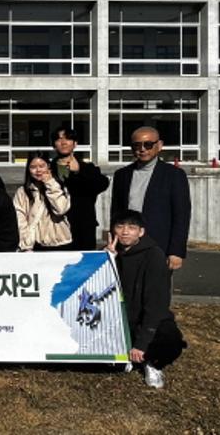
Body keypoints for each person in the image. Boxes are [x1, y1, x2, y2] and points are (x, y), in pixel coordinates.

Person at [105, 210, 186, 389]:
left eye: (131, 228)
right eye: (120, 227)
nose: (125, 232)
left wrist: (142, 344)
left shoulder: (154, 255)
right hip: (119, 319)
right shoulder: (109, 253)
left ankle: (152, 363)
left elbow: (156, 304)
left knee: (170, 339)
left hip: (145, 318)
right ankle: (123, 358)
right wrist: (106, 260)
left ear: (141, 232)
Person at [111, 126, 191, 271]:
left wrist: (176, 252)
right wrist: (113, 241)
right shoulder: (122, 175)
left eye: (148, 144)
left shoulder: (174, 175)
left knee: (156, 285)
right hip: (127, 245)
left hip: (159, 246)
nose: (142, 149)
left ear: (159, 145)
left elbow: (181, 216)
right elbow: (116, 213)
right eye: (137, 145)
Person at [51, 127, 110, 250]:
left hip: (82, 228)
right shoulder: (47, 169)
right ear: (54, 145)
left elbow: (102, 184)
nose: (63, 142)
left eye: (68, 138)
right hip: (55, 227)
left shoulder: (87, 168)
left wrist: (79, 171)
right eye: (59, 139)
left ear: (75, 144)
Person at [13, 151, 72, 252]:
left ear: (48, 166)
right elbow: (20, 220)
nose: (38, 170)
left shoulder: (59, 187)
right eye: (33, 167)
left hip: (61, 242)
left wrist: (50, 183)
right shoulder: (22, 192)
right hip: (34, 245)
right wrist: (26, 243)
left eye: (42, 166)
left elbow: (60, 209)